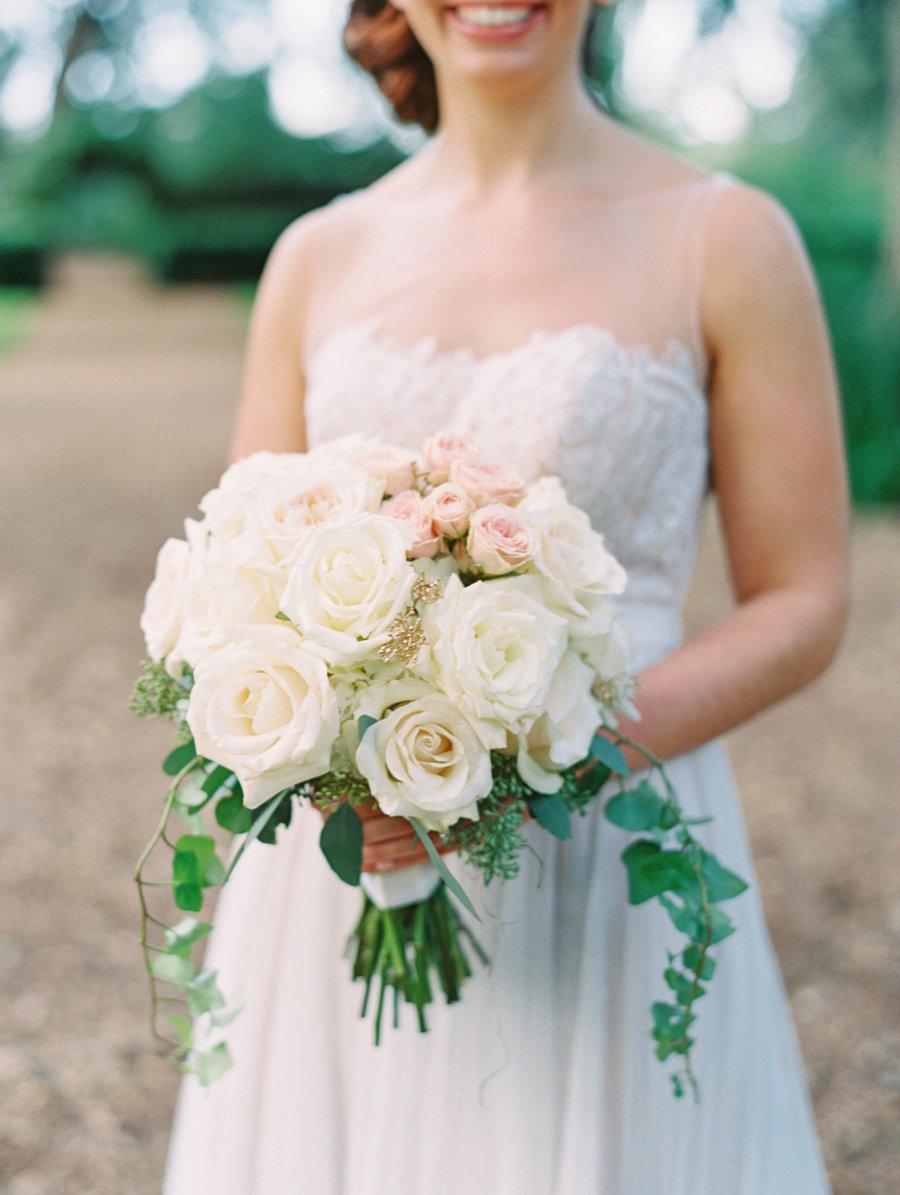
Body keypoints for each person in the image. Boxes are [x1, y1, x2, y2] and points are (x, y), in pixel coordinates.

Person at [163, 2, 848, 1191]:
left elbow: (803, 598)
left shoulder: (727, 237)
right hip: (358, 859)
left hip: (614, 843)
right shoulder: (316, 257)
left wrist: (557, 756)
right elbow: (241, 589)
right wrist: (340, 766)